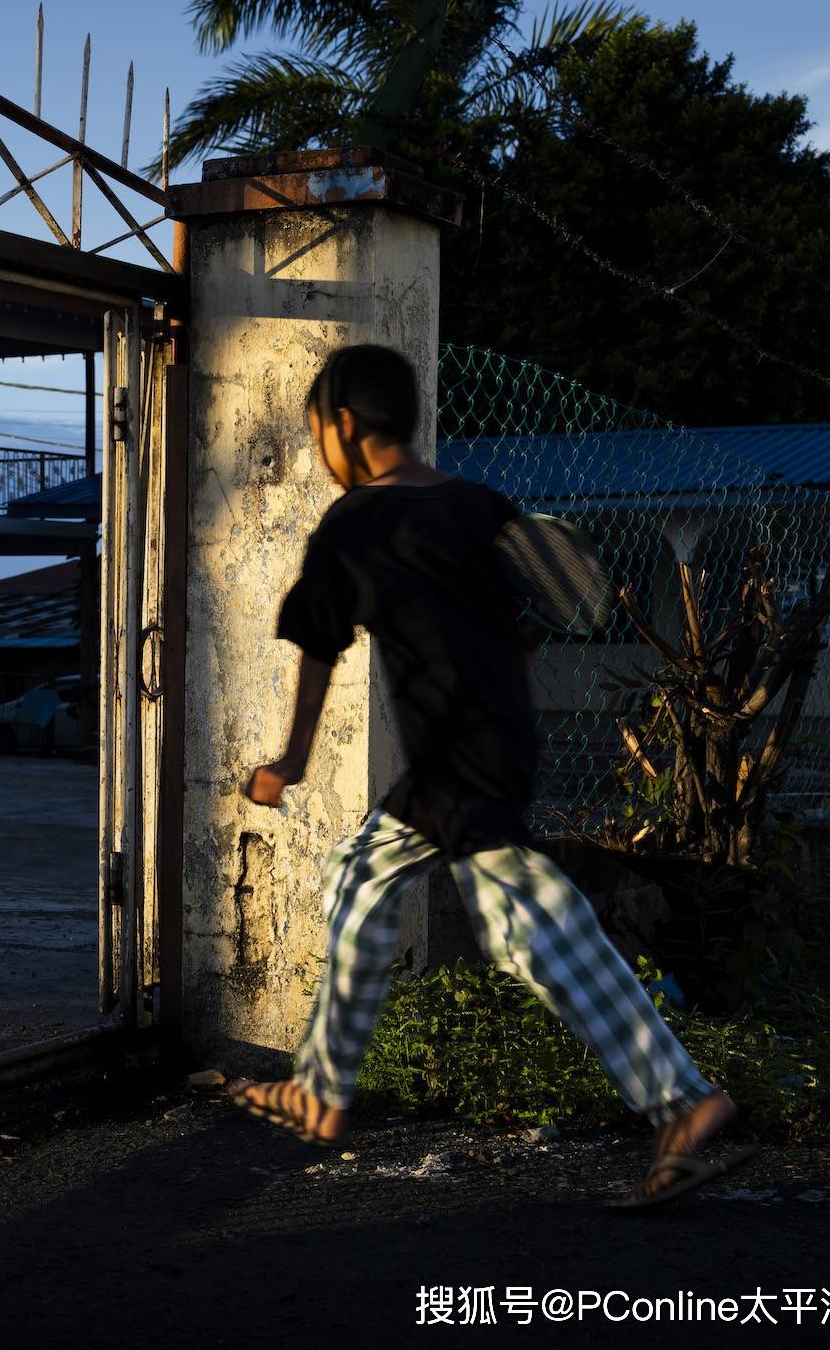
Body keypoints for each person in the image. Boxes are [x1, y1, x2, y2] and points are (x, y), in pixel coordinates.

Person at [227, 343, 753, 1210]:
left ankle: (679, 1100)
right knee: (446, 903)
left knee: (486, 913)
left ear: (345, 426)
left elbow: (318, 646)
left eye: (318, 430)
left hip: (455, 756)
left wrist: (291, 760)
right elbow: (541, 614)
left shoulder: (355, 523)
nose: (322, 447)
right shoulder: (481, 505)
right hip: (498, 743)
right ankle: (676, 1100)